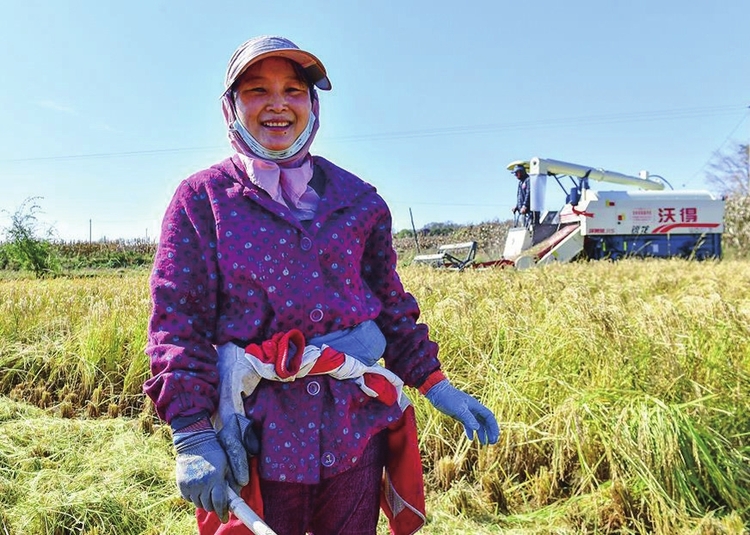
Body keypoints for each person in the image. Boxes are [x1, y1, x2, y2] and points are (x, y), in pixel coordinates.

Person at [143, 35, 499, 535]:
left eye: (293, 89)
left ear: (313, 105)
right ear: (231, 107)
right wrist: (191, 433)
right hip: (257, 440)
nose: (277, 104)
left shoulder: (359, 202)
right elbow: (177, 324)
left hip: (351, 434)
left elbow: (391, 308)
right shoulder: (202, 202)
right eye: (256, 90)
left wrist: (437, 386)